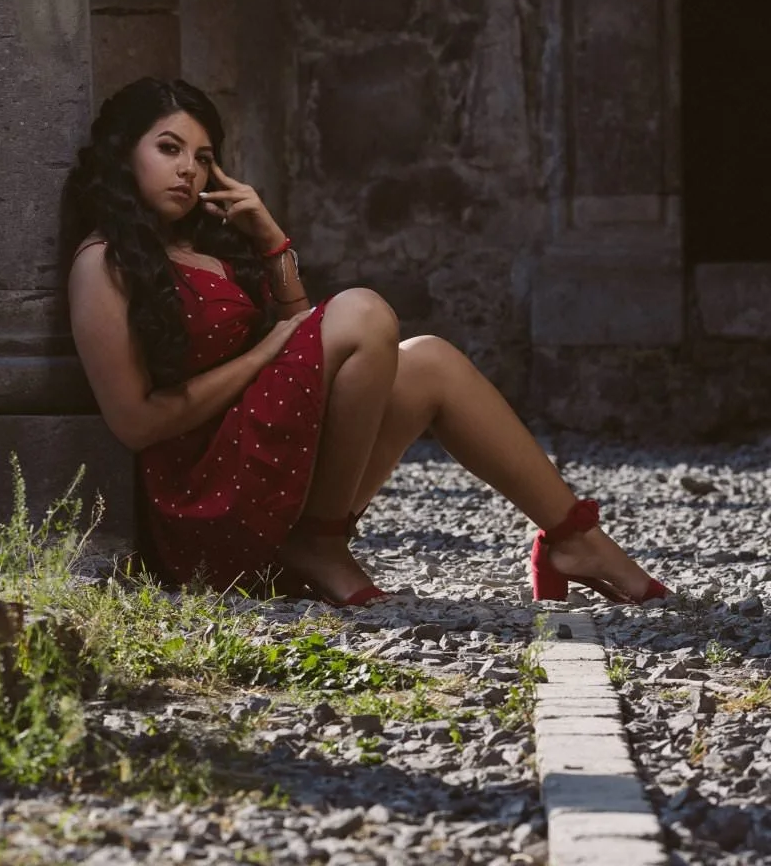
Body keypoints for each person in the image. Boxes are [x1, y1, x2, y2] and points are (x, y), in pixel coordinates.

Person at [61, 77, 668, 607]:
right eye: (168, 149)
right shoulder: (103, 262)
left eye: (203, 156)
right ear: (124, 154)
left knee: (430, 359)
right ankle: (319, 542)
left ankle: (573, 539)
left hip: (264, 467)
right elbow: (136, 423)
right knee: (363, 311)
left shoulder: (205, 250)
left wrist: (271, 242)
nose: (189, 170)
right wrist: (265, 352)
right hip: (207, 505)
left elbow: (302, 344)